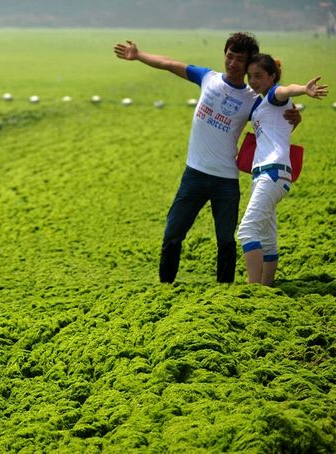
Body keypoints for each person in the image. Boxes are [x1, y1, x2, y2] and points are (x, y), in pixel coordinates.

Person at [113, 32, 301, 283]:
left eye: (239, 59)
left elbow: (275, 115)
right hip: (194, 175)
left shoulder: (253, 99)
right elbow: (170, 64)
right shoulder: (208, 78)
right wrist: (138, 56)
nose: (232, 63)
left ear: (248, 64)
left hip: (226, 181)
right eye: (229, 56)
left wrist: (295, 116)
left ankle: (225, 290)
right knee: (172, 234)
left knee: (226, 240)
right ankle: (165, 285)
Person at [237, 54, 328, 286]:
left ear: (272, 77)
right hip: (267, 174)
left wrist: (303, 89)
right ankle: (267, 287)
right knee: (267, 239)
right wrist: (296, 121)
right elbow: (277, 129)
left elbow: (286, 90)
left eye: (259, 76)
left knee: (247, 231)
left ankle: (253, 289)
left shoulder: (273, 95)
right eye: (251, 76)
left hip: (273, 172)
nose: (254, 80)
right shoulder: (260, 103)